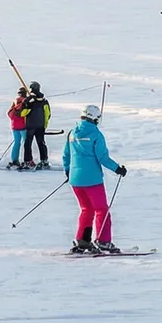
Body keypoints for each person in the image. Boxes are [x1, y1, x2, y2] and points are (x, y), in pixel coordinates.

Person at [63, 104, 127, 254]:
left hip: (75, 179)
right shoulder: (96, 134)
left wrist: (68, 172)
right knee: (101, 210)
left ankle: (82, 240)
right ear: (95, 118)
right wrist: (117, 168)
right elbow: (102, 157)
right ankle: (103, 241)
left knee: (86, 209)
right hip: (92, 180)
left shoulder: (72, 133)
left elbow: (66, 155)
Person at [21, 81, 51, 169]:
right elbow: (48, 114)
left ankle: (28, 161)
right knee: (41, 143)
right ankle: (44, 160)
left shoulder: (29, 101)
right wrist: (45, 124)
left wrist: (27, 103)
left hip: (30, 126)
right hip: (41, 126)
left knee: (28, 144)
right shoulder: (44, 101)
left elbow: (23, 113)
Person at [7, 88, 28, 168]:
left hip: (14, 126)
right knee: (27, 143)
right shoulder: (26, 101)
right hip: (23, 126)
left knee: (16, 143)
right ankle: (27, 160)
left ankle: (15, 160)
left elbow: (9, 114)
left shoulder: (15, 102)